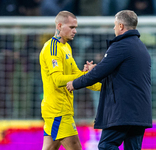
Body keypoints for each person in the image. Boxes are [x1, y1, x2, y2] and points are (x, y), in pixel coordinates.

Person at [66, 10, 152, 150]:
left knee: (107, 145)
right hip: (140, 112)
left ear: (121, 26)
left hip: (124, 111)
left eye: (115, 25)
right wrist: (96, 69)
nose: (114, 28)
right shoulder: (141, 47)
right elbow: (121, 75)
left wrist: (75, 83)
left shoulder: (121, 45)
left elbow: (99, 73)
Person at [39, 11, 101, 150]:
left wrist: (103, 86)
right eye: (71, 27)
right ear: (59, 26)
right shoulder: (52, 49)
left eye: (76, 27)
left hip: (60, 109)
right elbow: (58, 80)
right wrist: (85, 76)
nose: (75, 31)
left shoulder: (66, 47)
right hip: (58, 111)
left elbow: (78, 75)